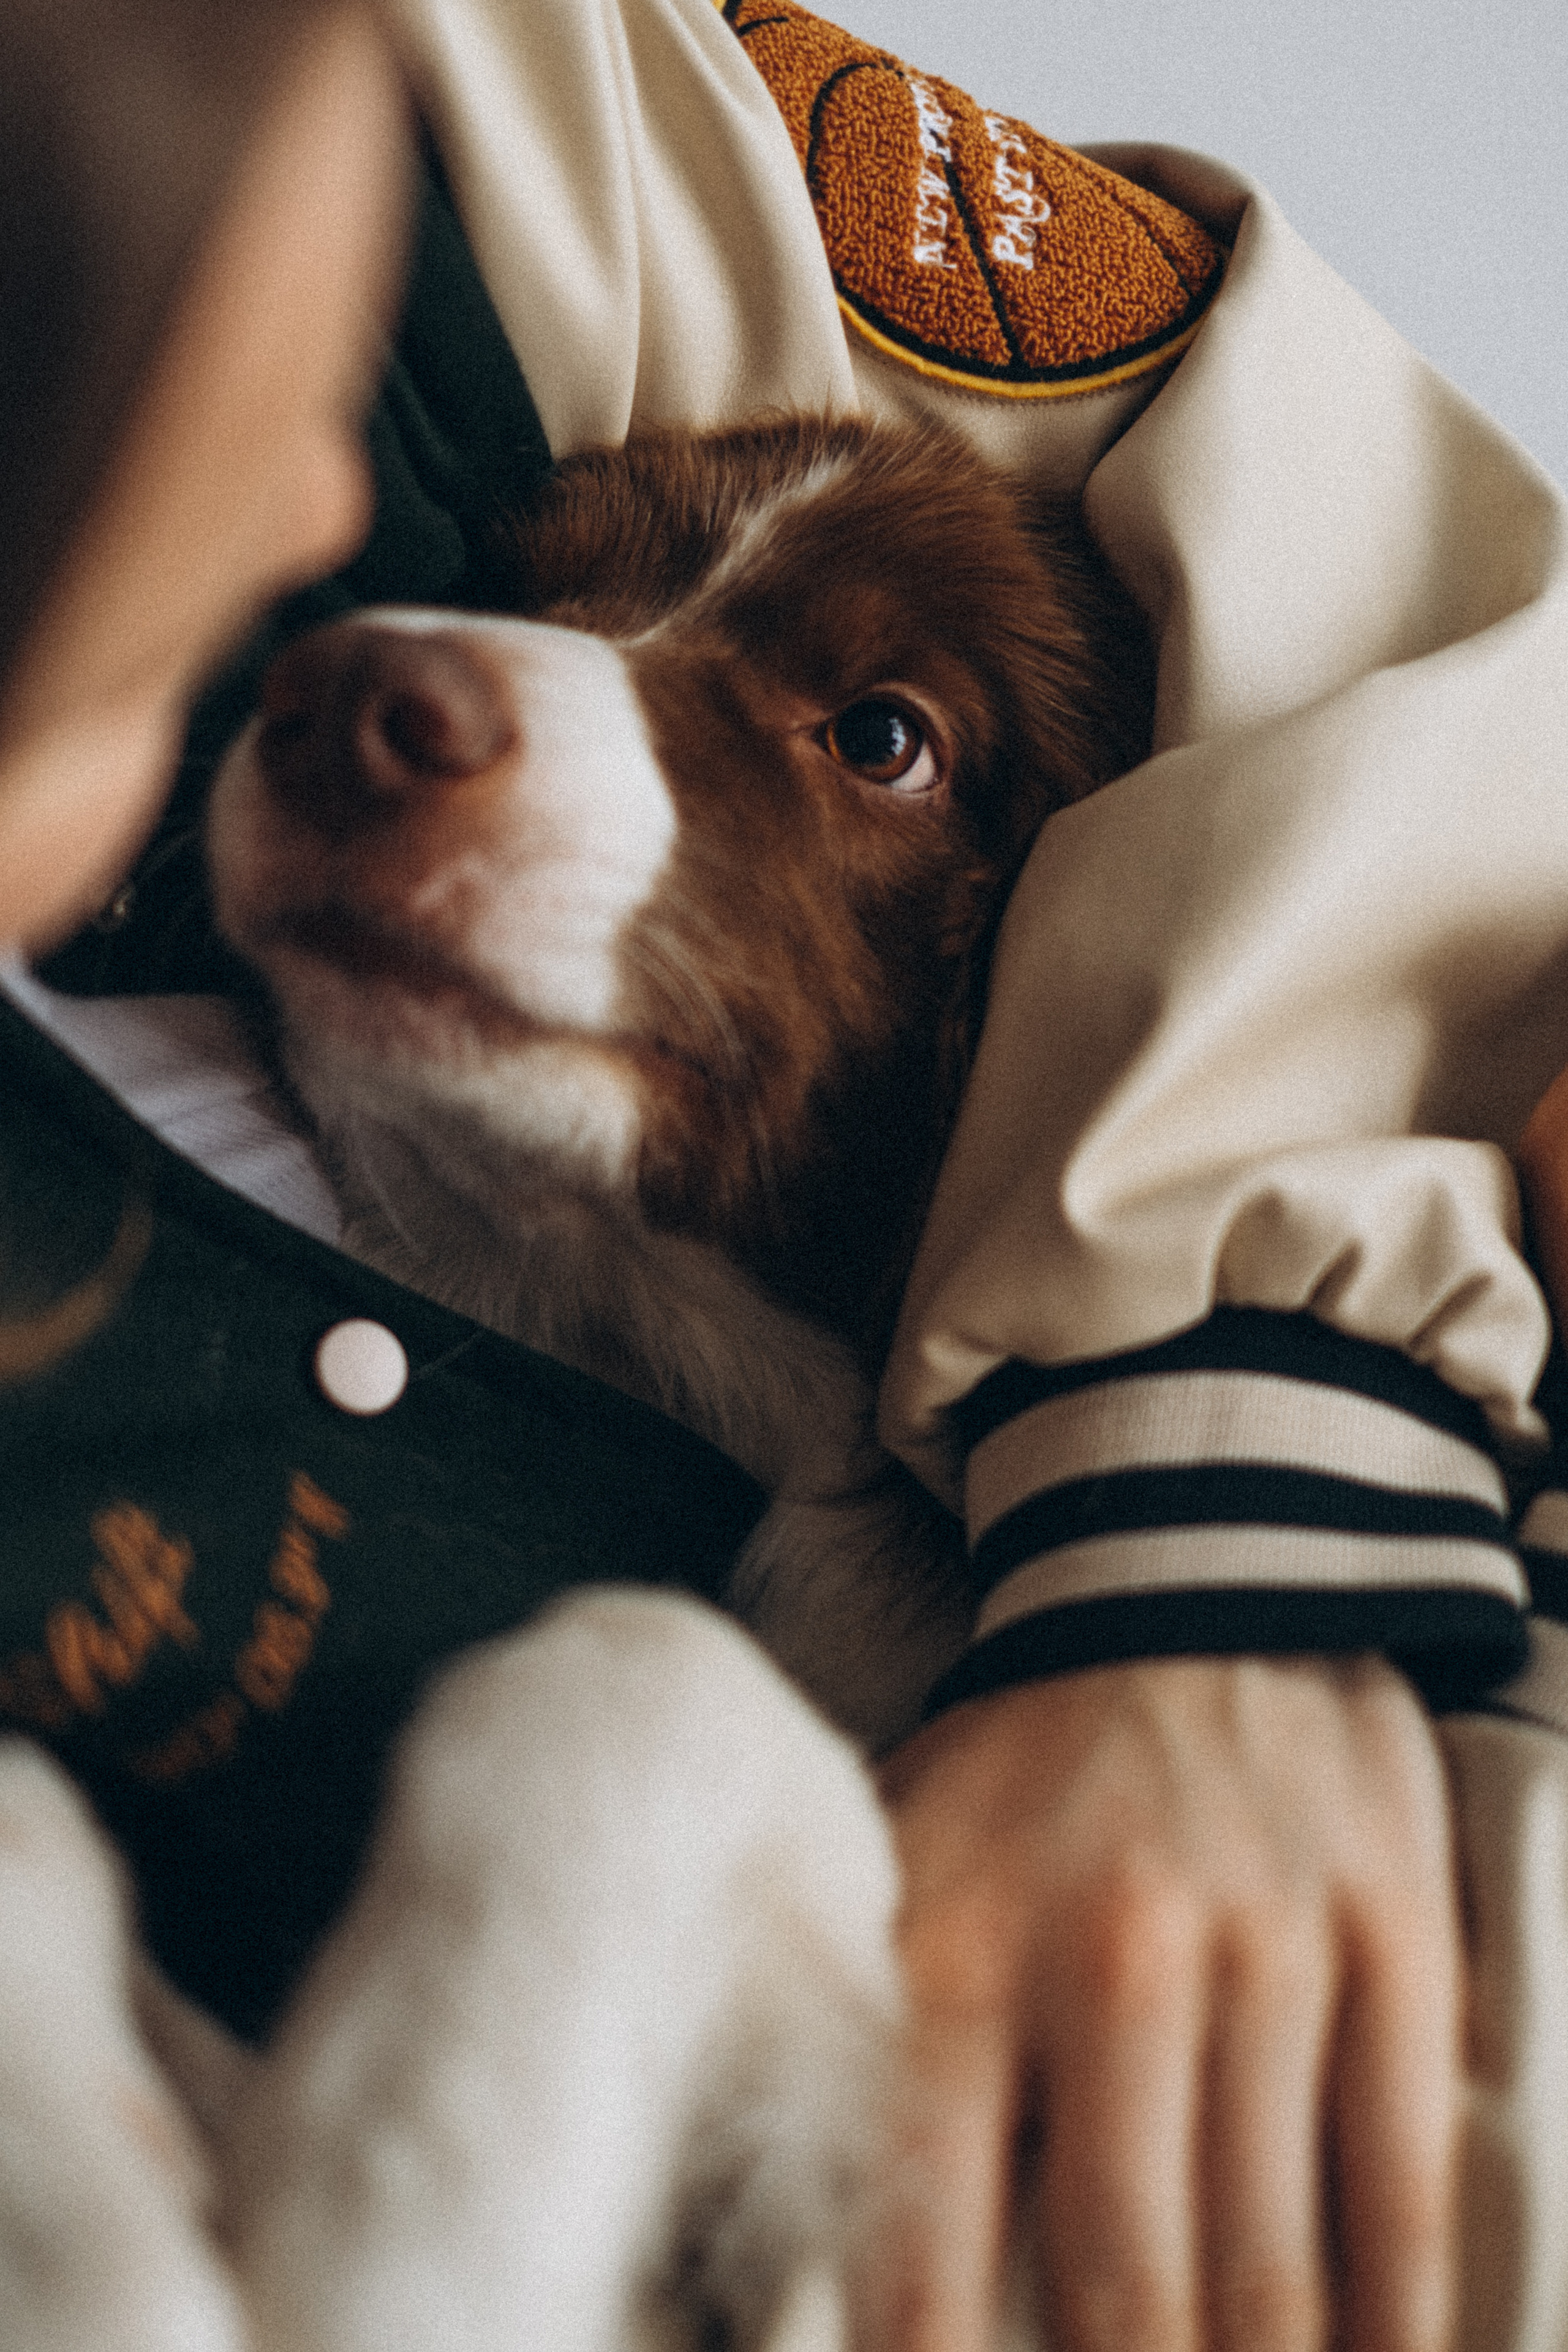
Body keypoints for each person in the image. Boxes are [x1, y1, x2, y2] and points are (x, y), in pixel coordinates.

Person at [5, 6, 1568, 2352]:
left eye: (875, 738)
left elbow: (1401, 619)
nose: (372, 614)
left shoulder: (476, 151)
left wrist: (1230, 1535)